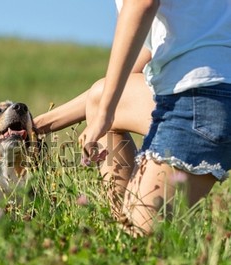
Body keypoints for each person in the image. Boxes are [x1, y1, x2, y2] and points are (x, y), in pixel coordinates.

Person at [34, 0, 231, 236]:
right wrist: (38, 126)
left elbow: (142, 3)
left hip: (201, 95)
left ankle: (128, 237)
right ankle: (120, 226)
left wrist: (106, 113)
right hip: (214, 89)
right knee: (99, 97)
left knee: (140, 247)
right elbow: (128, 73)